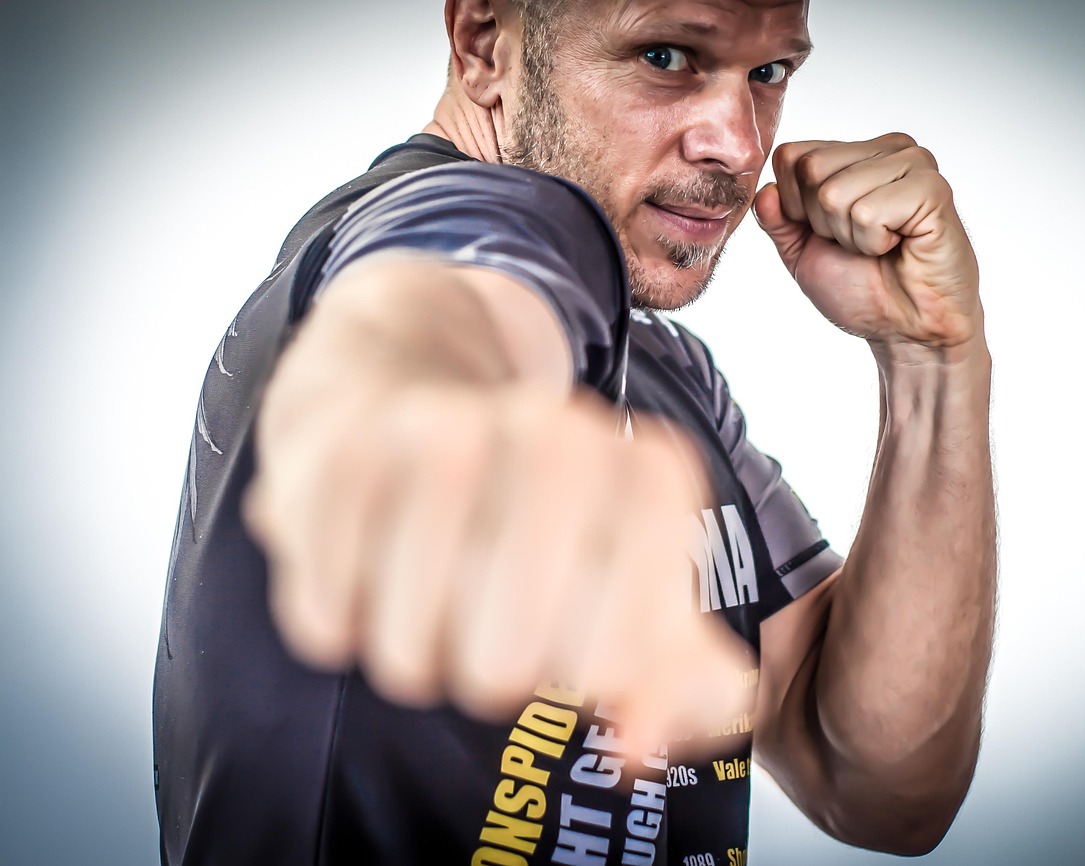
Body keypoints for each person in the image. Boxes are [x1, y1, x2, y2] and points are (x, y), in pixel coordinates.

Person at [152, 0, 997, 863]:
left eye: (769, 72)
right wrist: (433, 405)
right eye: (665, 55)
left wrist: (933, 361)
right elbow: (451, 281)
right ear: (484, 45)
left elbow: (878, 787)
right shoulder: (449, 225)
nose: (741, 146)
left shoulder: (674, 376)